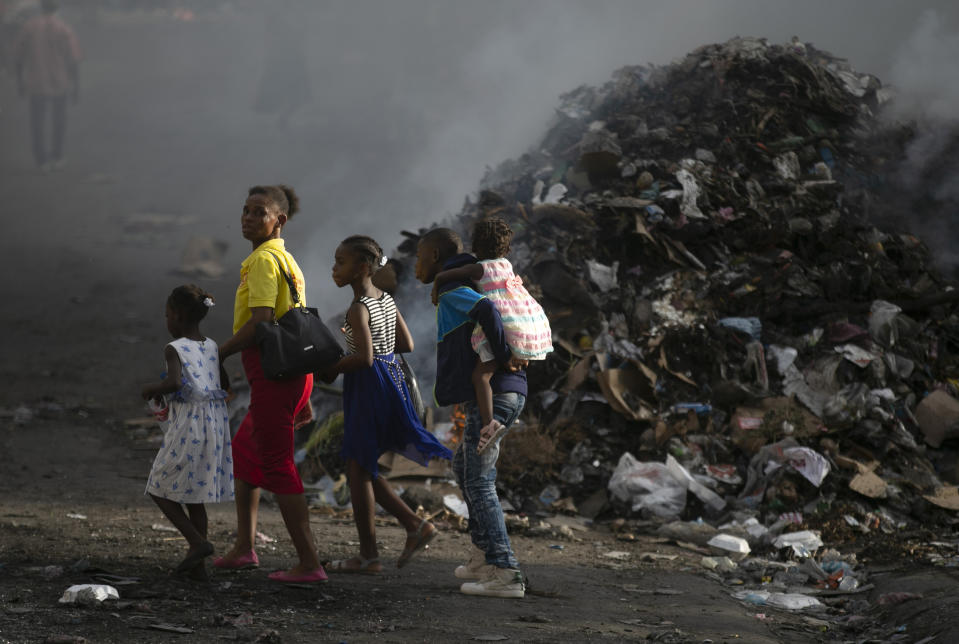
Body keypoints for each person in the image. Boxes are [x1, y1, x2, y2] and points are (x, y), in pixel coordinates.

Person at [215, 184, 326, 583]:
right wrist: (305, 395)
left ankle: (310, 563)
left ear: (278, 220)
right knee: (246, 452)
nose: (247, 217)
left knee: (278, 465)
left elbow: (262, 320)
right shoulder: (285, 259)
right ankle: (245, 547)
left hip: (274, 376)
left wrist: (222, 351)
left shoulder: (263, 260)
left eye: (258, 212)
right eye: (245, 210)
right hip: (292, 375)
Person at [321, 235, 452, 574]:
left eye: (340, 262)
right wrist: (379, 347)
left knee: (358, 467)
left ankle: (369, 556)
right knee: (361, 466)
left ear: (362, 267)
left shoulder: (358, 307)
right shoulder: (387, 300)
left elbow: (363, 359)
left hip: (369, 386)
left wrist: (330, 366)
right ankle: (411, 526)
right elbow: (405, 343)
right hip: (392, 379)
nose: (334, 269)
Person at [415, 227, 528, 599]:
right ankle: (483, 555)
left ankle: (505, 571)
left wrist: (501, 356)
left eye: (419, 257)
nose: (416, 265)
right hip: (501, 394)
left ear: (433, 256)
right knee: (464, 468)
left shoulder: (451, 289)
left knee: (479, 480)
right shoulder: (464, 278)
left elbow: (486, 309)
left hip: (497, 394)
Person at [431, 216, 552, 452]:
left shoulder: (479, 268)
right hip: (520, 321)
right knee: (510, 360)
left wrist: (437, 285)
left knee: (481, 377)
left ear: (475, 246)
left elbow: (447, 276)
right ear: (506, 248)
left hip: (501, 319)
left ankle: (489, 425)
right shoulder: (507, 266)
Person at [140, 285, 233, 578]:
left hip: (190, 424)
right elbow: (225, 384)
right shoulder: (213, 345)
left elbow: (175, 383)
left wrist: (151, 389)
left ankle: (197, 543)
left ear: (178, 317)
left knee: (158, 485)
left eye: (167, 315)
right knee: (195, 496)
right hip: (215, 424)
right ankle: (198, 568)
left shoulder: (175, 348)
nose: (166, 321)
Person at [12, 0, 80, 172]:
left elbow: (18, 57)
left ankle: (41, 161)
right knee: (59, 120)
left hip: (36, 82)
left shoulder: (29, 27)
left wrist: (20, 82)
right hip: (60, 81)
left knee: (37, 122)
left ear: (41, 7)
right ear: (57, 8)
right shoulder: (63, 28)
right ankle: (57, 156)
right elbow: (73, 60)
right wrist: (76, 86)